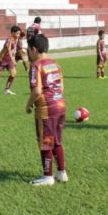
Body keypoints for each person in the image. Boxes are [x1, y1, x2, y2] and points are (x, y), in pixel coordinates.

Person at [25, 34, 68, 187]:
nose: (27, 54)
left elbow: (36, 91)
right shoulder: (55, 63)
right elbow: (61, 87)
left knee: (45, 142)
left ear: (34, 49)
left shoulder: (36, 65)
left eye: (28, 50)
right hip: (60, 106)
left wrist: (28, 105)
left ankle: (47, 176)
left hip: (46, 109)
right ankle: (62, 173)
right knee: (57, 141)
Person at [0, 26, 21, 95]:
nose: (18, 35)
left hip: (9, 60)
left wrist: (14, 58)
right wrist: (13, 60)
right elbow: (8, 50)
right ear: (12, 33)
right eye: (17, 33)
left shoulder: (16, 40)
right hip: (3, 59)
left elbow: (13, 51)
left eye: (19, 33)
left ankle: (7, 90)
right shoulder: (9, 39)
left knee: (13, 73)